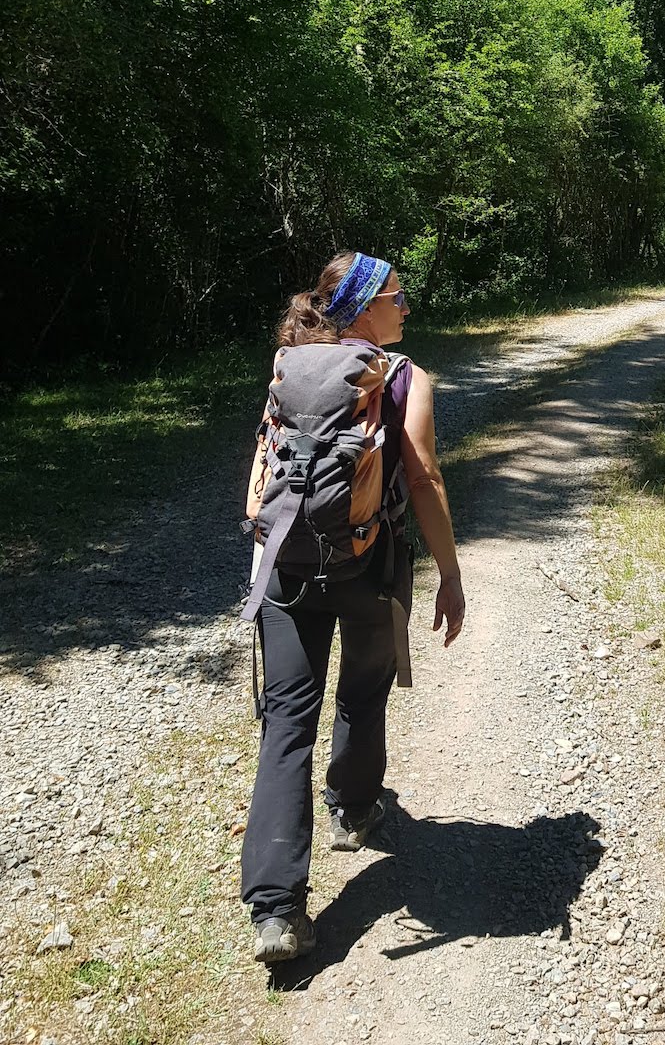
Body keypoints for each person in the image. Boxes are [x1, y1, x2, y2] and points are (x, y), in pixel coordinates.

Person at [239, 250, 466, 964]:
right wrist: (451, 576)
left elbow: (265, 470)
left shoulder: (292, 368)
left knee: (286, 725)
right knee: (363, 695)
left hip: (286, 567)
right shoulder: (403, 377)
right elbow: (424, 476)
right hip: (369, 566)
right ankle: (354, 809)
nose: (406, 308)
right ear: (366, 307)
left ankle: (275, 912)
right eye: (398, 296)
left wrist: (262, 566)